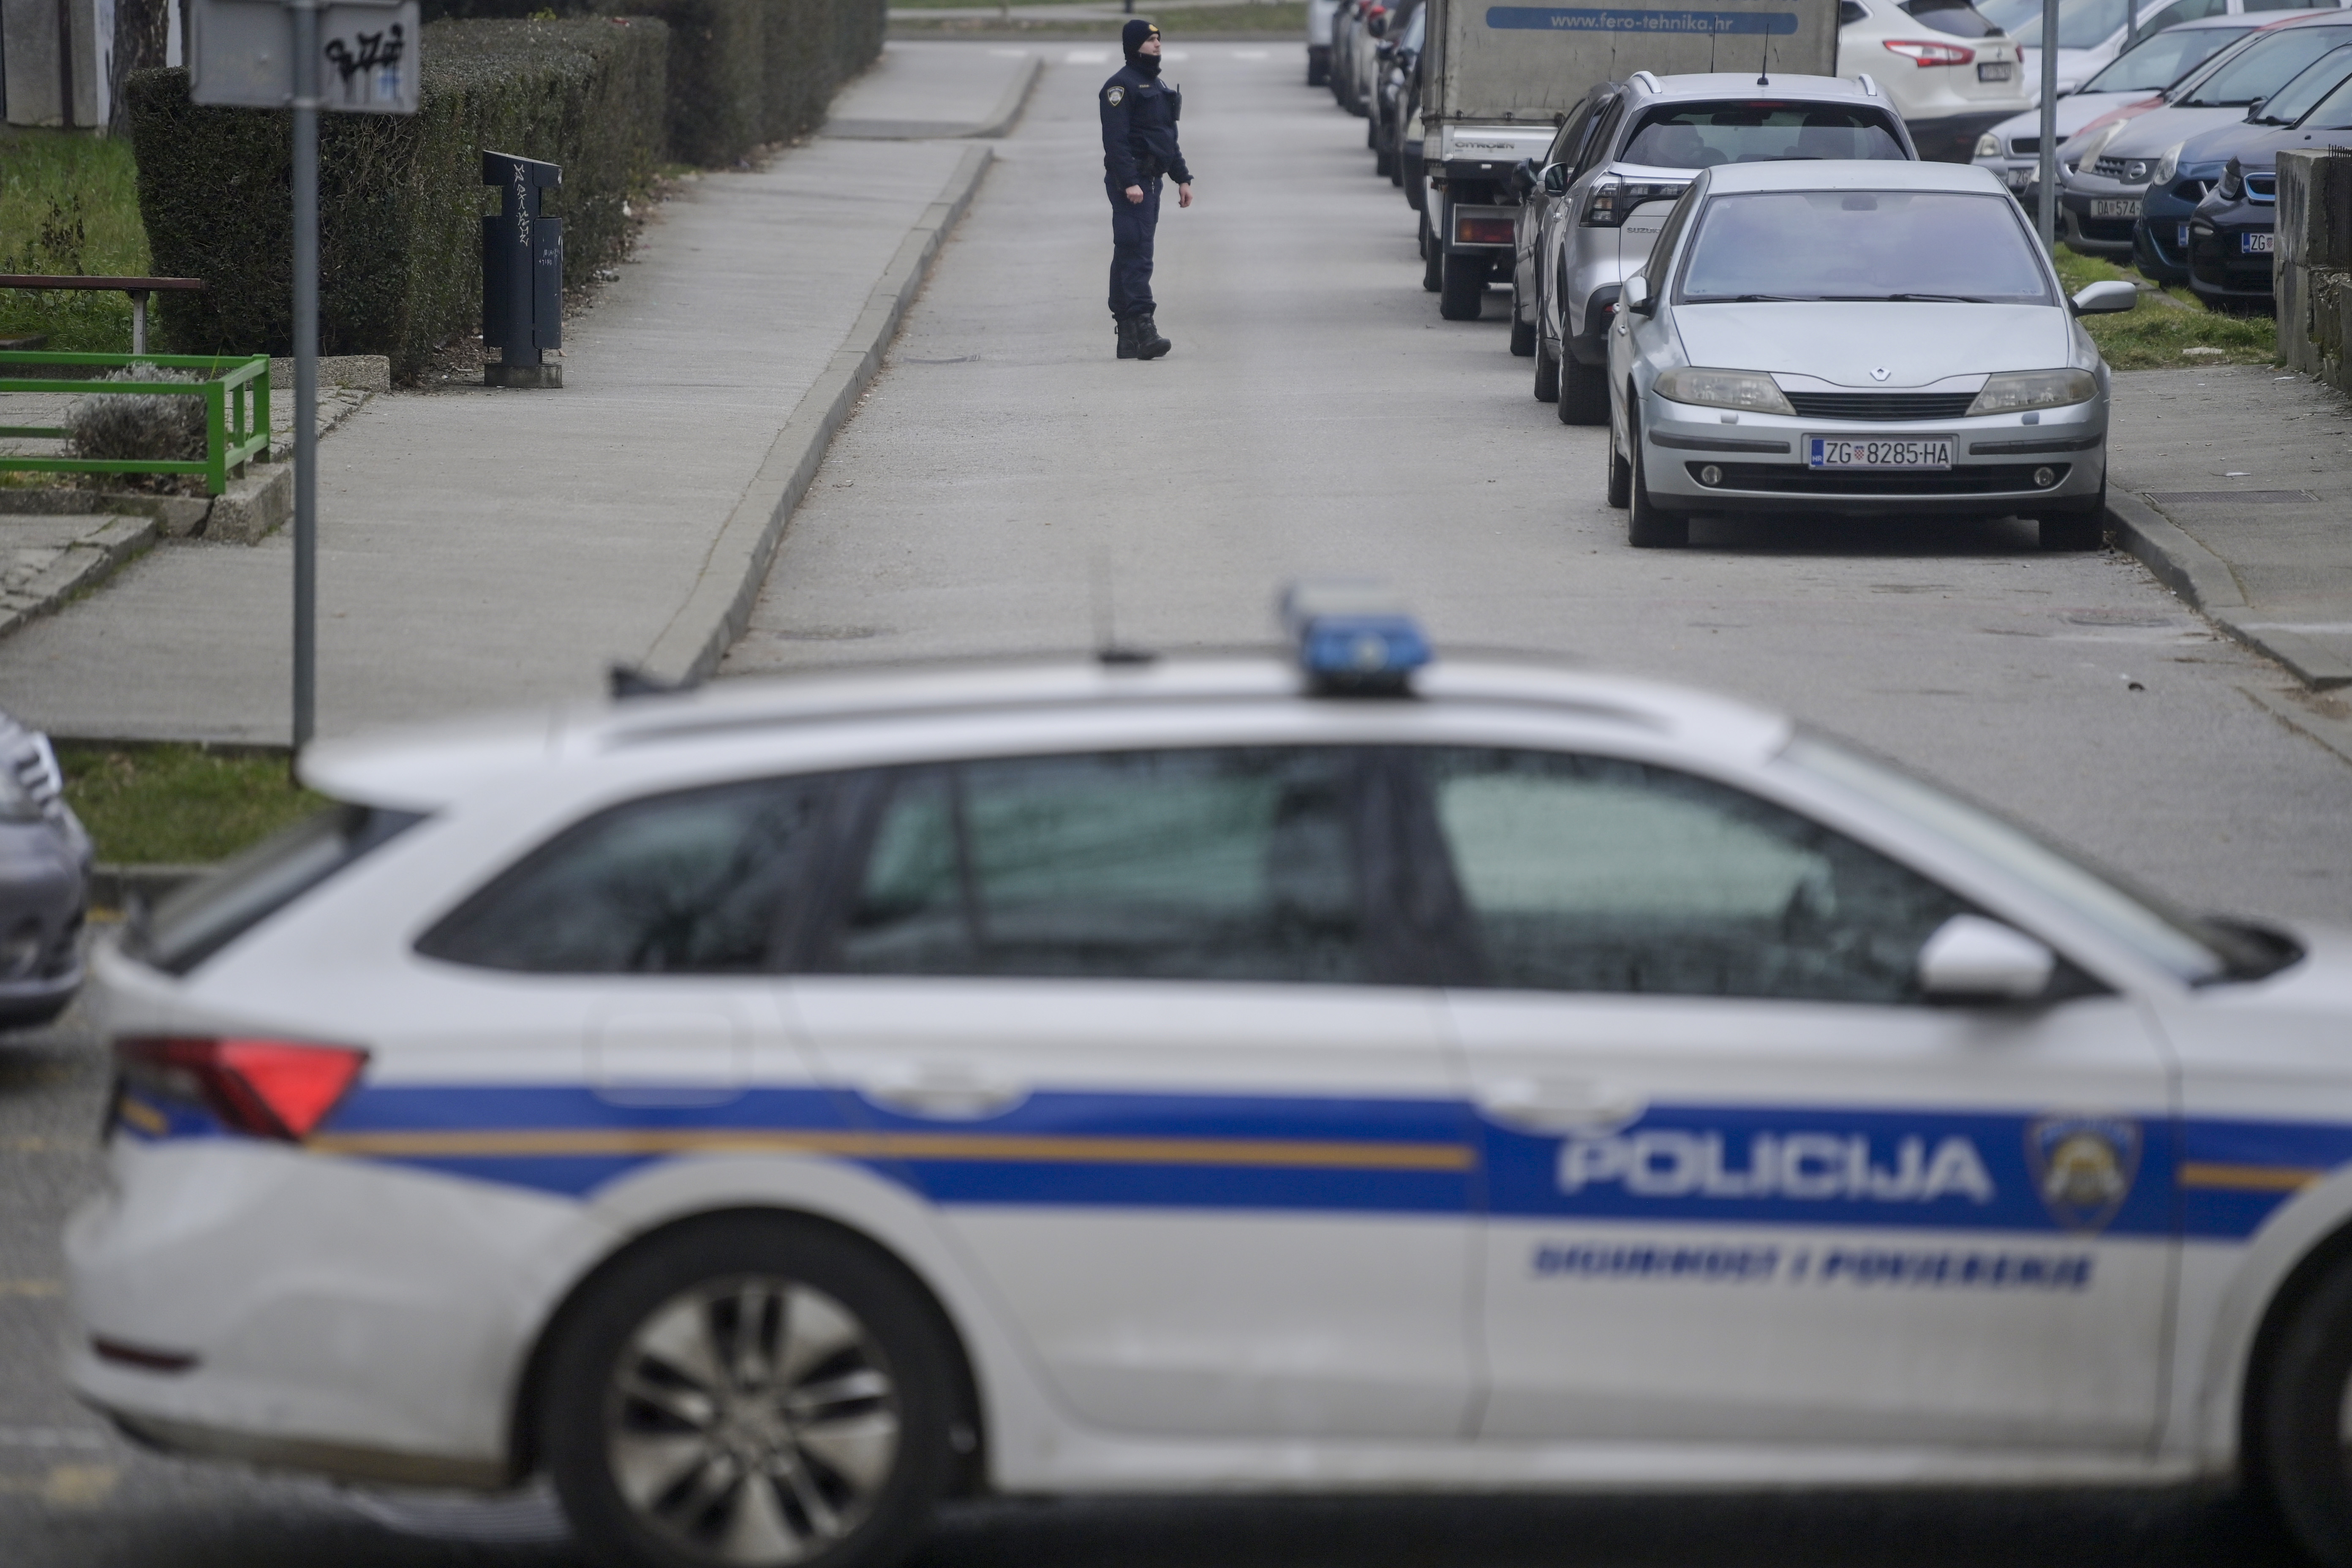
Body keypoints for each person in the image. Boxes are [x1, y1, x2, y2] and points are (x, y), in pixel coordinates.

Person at [1100, 19, 1193, 360]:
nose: (1157, 44)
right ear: (1134, 46)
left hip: (1152, 181)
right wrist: (1130, 182)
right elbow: (1116, 141)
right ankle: (1144, 327)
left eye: (1159, 38)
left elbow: (1166, 139)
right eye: (1151, 39)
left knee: (1129, 250)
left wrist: (1182, 178)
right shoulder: (1120, 87)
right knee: (1137, 251)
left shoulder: (1157, 84)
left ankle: (1127, 335)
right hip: (1133, 182)